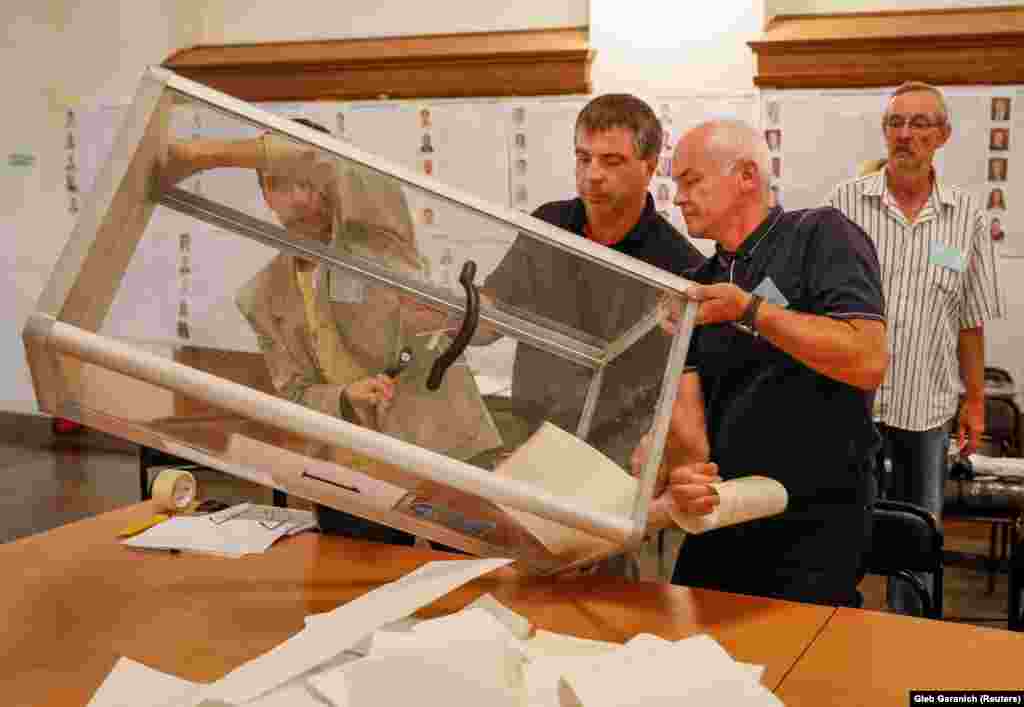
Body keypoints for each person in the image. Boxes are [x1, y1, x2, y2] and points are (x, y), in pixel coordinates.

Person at [158, 118, 503, 545]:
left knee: (475, 588)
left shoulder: (377, 232)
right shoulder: (262, 297)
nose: (300, 198)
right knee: (359, 592)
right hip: (350, 472)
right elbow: (295, 393)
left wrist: (198, 155)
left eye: (310, 182)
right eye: (281, 184)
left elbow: (329, 163)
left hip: (442, 448)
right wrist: (344, 397)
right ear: (265, 194)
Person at [643, 118, 887, 607]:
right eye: (674, 183)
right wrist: (684, 475)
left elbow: (866, 358)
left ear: (748, 177)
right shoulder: (698, 283)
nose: (677, 197)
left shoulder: (819, 235)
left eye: (691, 181)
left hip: (814, 519)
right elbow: (691, 434)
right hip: (725, 513)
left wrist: (750, 310)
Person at [827, 81, 1005, 615]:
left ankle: (911, 634)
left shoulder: (966, 216)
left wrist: (974, 401)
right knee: (840, 528)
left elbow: (970, 320)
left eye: (919, 124)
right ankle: (834, 624)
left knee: (917, 537)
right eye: (895, 123)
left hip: (926, 408)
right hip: (850, 402)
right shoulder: (844, 203)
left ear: (943, 136)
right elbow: (815, 299)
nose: (905, 135)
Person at [482, 93, 704, 472]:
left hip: (617, 461)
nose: (592, 174)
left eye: (611, 161)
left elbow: (686, 388)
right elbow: (490, 316)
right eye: (583, 158)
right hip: (530, 440)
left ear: (649, 168)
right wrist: (433, 314)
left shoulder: (681, 266)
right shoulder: (547, 225)